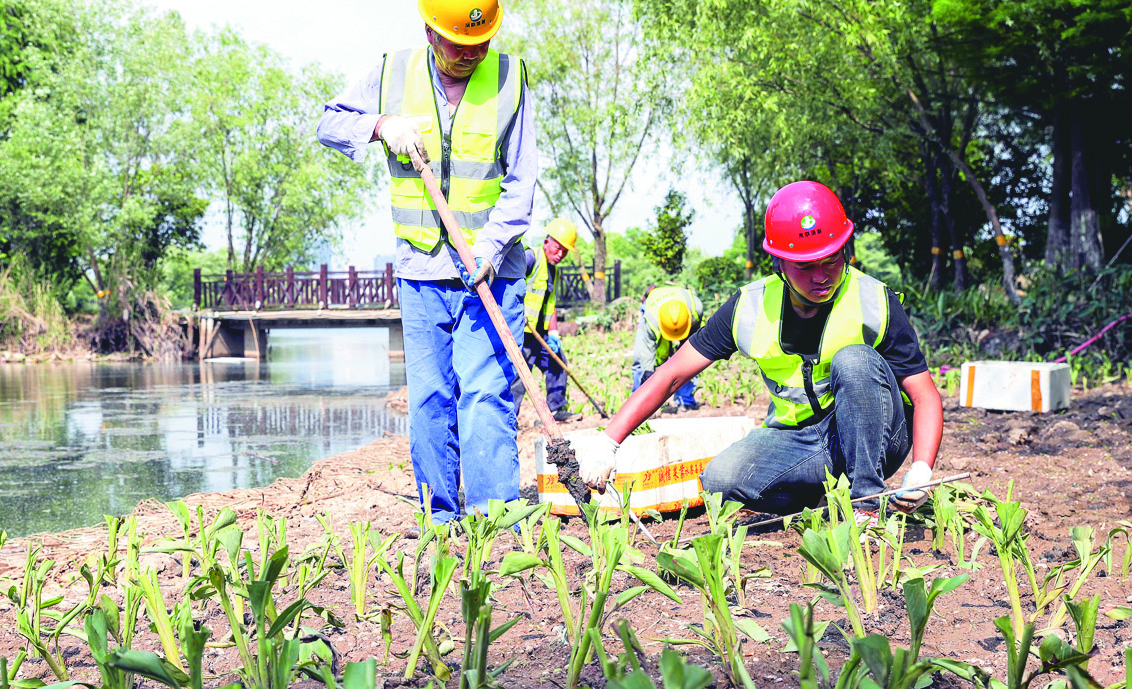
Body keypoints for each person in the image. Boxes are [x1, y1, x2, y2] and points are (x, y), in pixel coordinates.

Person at [580, 180, 943, 520]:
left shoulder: (873, 299)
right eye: (805, 265)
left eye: (832, 259)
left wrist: (922, 468)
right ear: (779, 262)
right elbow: (672, 374)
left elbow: (925, 396)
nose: (821, 276)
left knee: (855, 360)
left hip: (880, 436)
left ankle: (865, 504)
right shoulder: (749, 307)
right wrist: (609, 442)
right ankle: (819, 499)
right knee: (719, 482)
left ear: (845, 249)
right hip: (803, 442)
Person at [315, 0, 536, 524]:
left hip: (493, 271)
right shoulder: (392, 72)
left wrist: (488, 250)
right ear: (430, 33)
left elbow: (521, 183)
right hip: (421, 274)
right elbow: (328, 123)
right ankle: (440, 519)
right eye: (459, 44)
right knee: (430, 400)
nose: (470, 54)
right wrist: (380, 125)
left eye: (479, 43)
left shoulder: (510, 79)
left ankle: (495, 519)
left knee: (485, 394)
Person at [511, 217, 577, 422]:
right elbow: (510, 286)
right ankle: (508, 420)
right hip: (522, 332)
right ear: (547, 242)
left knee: (558, 364)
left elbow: (551, 305)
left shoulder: (553, 270)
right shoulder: (531, 257)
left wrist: (554, 333)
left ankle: (555, 409)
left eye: (565, 252)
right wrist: (516, 311)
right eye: (558, 248)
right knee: (518, 378)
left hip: (541, 334)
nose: (560, 255)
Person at [631, 283, 704, 412]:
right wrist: (648, 373)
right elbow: (646, 351)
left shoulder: (696, 309)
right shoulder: (651, 321)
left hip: (684, 316)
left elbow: (696, 347)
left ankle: (685, 401)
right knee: (640, 360)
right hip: (653, 305)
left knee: (690, 360)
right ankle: (637, 406)